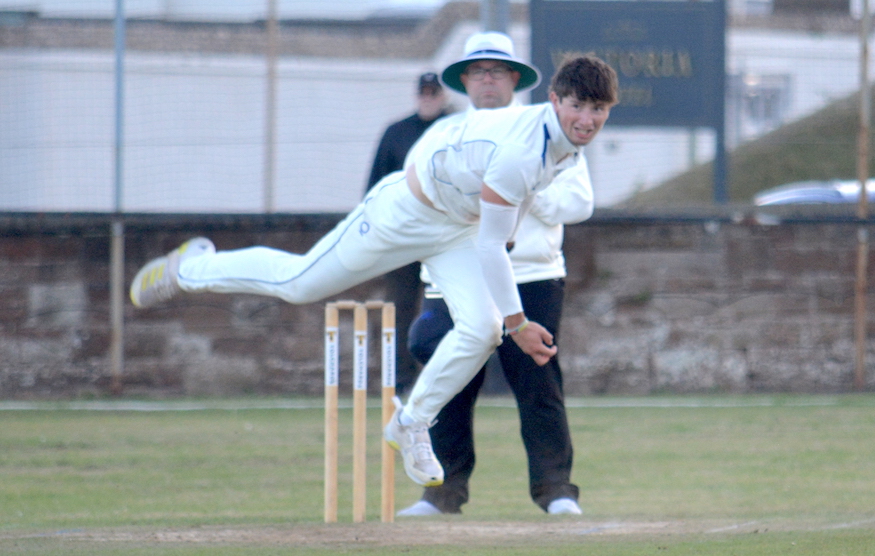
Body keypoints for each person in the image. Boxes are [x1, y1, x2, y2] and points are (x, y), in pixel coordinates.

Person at [129, 55, 619, 492]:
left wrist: (506, 311)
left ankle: (411, 422)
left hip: (456, 229)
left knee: (482, 329)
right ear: (555, 100)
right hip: (403, 214)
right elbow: (494, 243)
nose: (587, 119)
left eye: (597, 110)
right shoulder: (523, 149)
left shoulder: (560, 143)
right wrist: (520, 323)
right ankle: (191, 267)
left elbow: (510, 209)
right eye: (577, 106)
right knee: (300, 284)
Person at [396, 32, 591, 517]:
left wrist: (519, 189)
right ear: (464, 80)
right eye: (478, 71)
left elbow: (579, 202)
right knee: (450, 382)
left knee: (538, 384)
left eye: (498, 71)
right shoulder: (443, 134)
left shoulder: (548, 131)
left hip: (532, 274)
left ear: (514, 79)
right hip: (456, 278)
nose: (488, 79)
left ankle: (556, 490)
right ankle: (442, 492)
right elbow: (419, 200)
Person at [366, 72, 450, 395]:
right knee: (400, 308)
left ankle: (445, 376)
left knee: (447, 307)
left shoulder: (454, 130)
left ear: (443, 96)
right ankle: (400, 378)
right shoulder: (396, 133)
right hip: (402, 236)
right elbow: (376, 185)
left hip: (443, 238)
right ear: (416, 96)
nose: (428, 98)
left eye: (433, 93)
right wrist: (377, 230)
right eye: (423, 93)